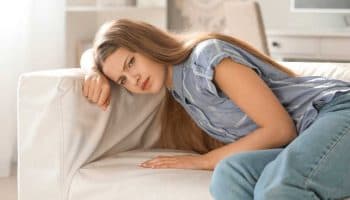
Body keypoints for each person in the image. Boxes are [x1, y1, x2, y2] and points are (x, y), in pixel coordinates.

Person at [82, 18, 350, 200]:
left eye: (131, 63)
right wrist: (92, 69)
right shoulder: (180, 92)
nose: (134, 79)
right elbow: (91, 54)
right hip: (304, 139)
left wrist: (203, 161)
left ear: (146, 44)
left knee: (277, 187)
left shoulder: (206, 58)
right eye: (122, 80)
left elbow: (280, 129)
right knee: (229, 174)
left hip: (337, 112)